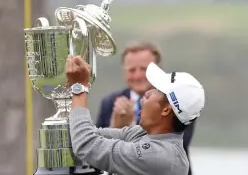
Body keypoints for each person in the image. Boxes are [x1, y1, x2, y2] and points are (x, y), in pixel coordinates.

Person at [66, 56, 205, 175]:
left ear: (166, 110)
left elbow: (85, 144)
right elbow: (87, 136)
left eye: (157, 90)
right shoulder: (143, 134)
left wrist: (79, 87)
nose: (147, 92)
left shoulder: (162, 156)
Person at [95, 42, 196, 175]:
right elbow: (95, 150)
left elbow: (171, 148)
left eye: (144, 69)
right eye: (131, 70)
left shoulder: (178, 100)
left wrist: (124, 128)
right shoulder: (110, 102)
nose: (137, 76)